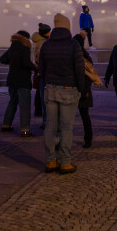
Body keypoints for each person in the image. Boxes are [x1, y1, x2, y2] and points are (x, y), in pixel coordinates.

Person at [39, 14, 85, 174]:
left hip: (50, 89)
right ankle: (65, 162)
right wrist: (82, 88)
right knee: (66, 127)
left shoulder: (46, 44)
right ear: (67, 27)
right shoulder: (73, 45)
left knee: (50, 127)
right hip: (68, 89)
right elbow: (79, 69)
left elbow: (41, 69)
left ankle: (50, 161)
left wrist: (48, 82)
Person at [0, 30, 36, 137]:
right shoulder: (24, 47)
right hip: (23, 81)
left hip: (12, 80)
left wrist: (12, 62)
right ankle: (25, 130)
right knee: (24, 106)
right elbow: (25, 63)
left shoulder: (13, 47)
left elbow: (2, 59)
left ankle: (6, 125)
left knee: (12, 102)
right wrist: (35, 68)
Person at [74, 31, 95, 148]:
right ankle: (88, 139)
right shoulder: (86, 56)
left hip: (77, 91)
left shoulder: (77, 57)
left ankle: (61, 140)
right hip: (85, 91)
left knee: (67, 118)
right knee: (85, 117)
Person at [31, 23, 51, 118]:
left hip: (37, 67)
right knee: (41, 90)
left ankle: (38, 110)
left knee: (39, 89)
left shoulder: (36, 40)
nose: (50, 33)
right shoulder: (43, 42)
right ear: (45, 33)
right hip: (41, 67)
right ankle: (40, 110)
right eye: (49, 31)